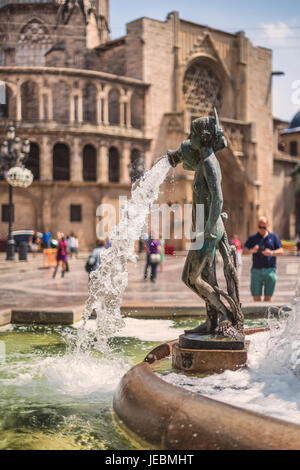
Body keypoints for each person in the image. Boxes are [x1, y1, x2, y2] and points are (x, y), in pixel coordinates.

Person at [167, 110, 243, 336]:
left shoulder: (209, 163)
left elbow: (218, 197)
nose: (190, 137)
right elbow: (186, 157)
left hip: (208, 230)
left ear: (204, 136)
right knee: (208, 277)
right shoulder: (202, 161)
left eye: (193, 133)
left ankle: (226, 314)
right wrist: (175, 155)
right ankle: (211, 322)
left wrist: (209, 228)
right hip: (205, 227)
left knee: (190, 278)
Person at [243, 216, 283, 301]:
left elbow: (281, 251)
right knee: (256, 298)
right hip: (256, 271)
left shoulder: (273, 237)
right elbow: (244, 251)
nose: (262, 229)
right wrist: (252, 250)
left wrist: (271, 253)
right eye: (260, 227)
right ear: (257, 226)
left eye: (264, 227)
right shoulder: (253, 238)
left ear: (268, 226)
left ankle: (266, 314)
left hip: (270, 270)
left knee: (268, 298)